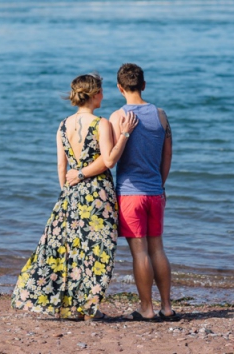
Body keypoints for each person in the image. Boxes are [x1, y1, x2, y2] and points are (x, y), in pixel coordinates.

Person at [12, 73, 138, 320]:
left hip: (70, 194)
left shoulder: (62, 125)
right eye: (101, 90)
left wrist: (68, 191)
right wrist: (124, 134)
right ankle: (88, 307)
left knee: (71, 250)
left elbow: (61, 167)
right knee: (98, 250)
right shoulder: (100, 123)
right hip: (98, 194)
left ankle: (70, 306)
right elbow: (109, 160)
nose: (104, 94)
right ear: (94, 94)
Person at [84, 63, 174, 321]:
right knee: (158, 248)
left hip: (129, 193)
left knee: (140, 252)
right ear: (143, 85)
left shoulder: (116, 117)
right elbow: (167, 154)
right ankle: (167, 307)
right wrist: (161, 184)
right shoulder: (160, 115)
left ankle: (147, 309)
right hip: (155, 192)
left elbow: (110, 156)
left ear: (119, 88)